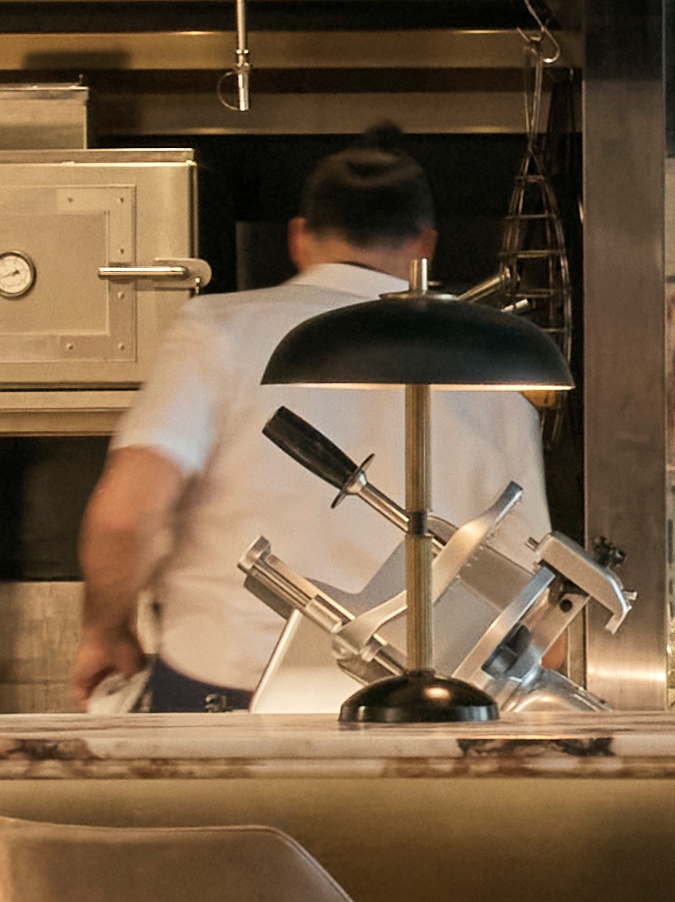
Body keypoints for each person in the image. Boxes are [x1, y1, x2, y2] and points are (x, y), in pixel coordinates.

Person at [87, 138, 534, 712]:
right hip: (414, 713)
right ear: (424, 246)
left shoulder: (215, 331)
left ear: (298, 238)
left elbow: (127, 518)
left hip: (221, 704)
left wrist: (104, 632)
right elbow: (532, 604)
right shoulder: (497, 374)